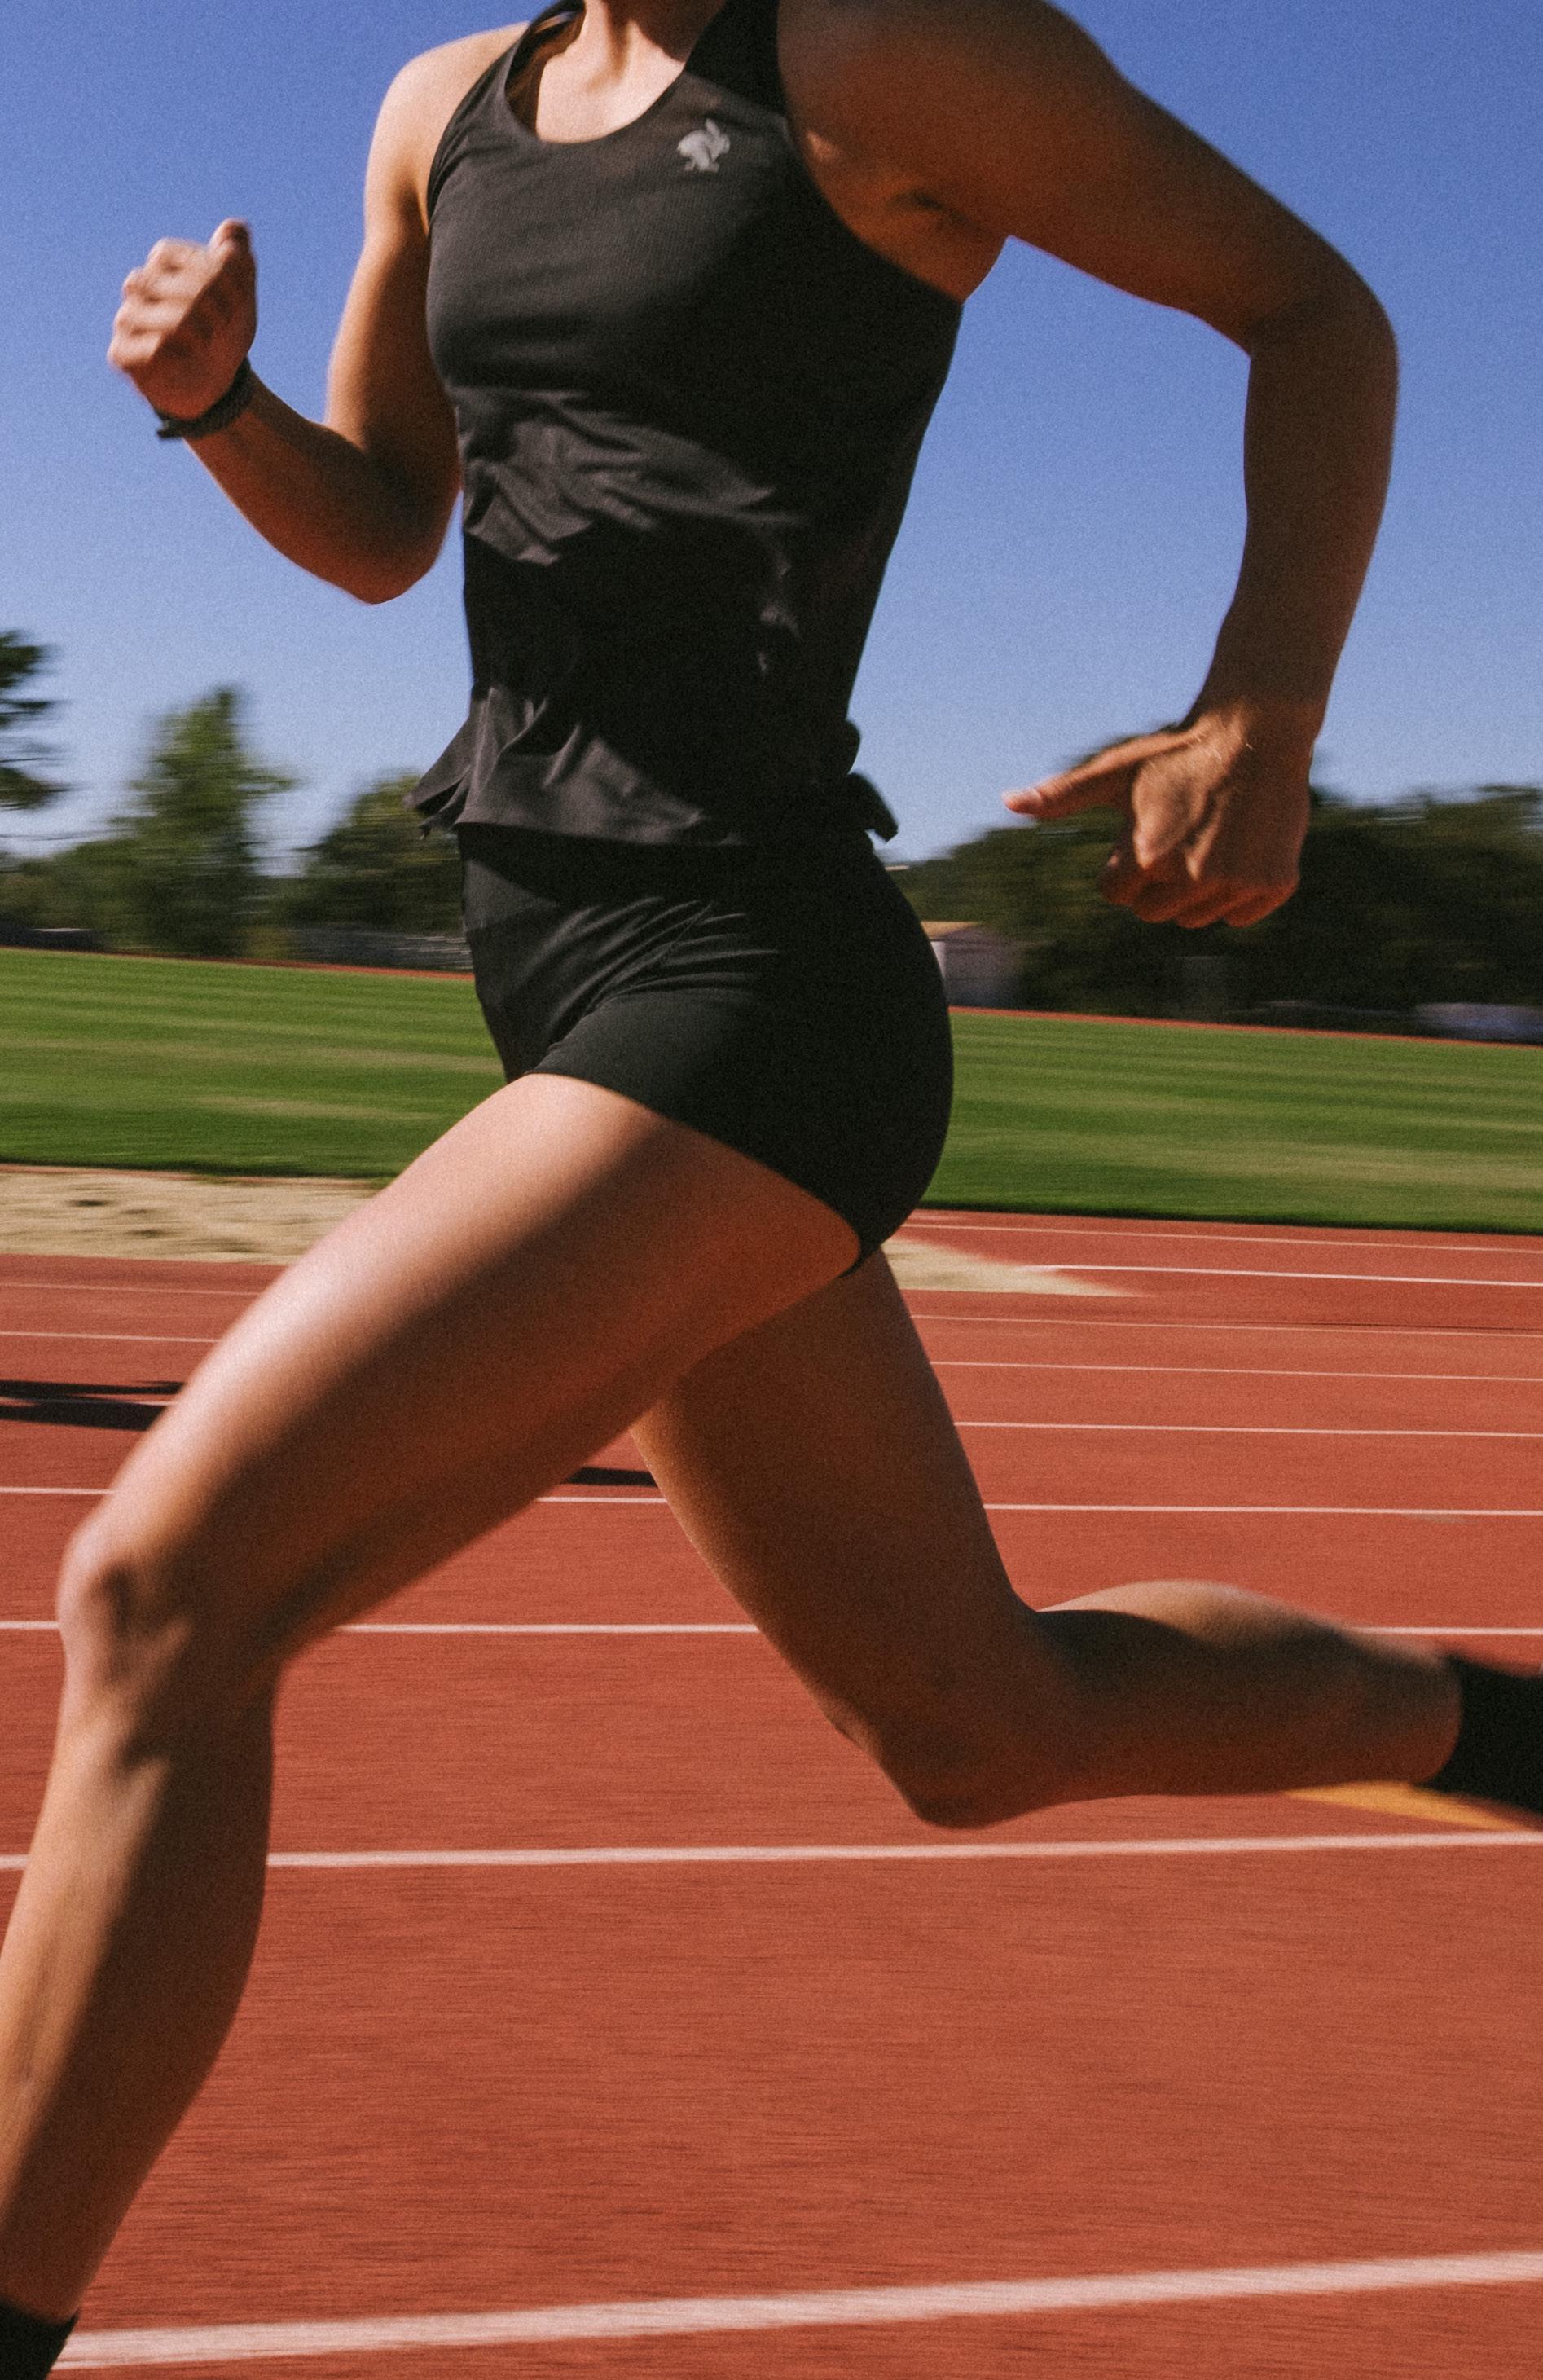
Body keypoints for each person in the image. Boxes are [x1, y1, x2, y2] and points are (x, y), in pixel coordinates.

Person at [1, 1, 1536, 2365]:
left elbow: (1316, 308)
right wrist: (217, 410)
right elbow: (388, 530)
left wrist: (1268, 702)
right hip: (550, 962)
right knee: (975, 1723)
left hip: (755, 985)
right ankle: (1499, 1727)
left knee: (169, 1592)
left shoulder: (885, 49)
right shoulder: (440, 109)